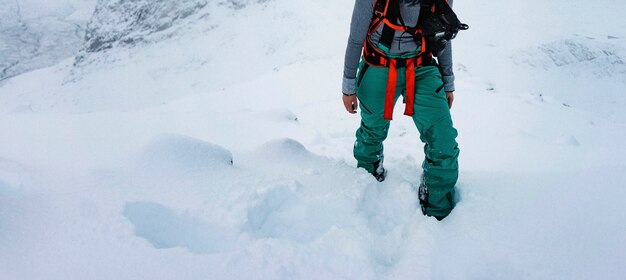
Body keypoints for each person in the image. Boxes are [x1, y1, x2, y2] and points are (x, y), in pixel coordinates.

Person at [342, 0, 460, 220]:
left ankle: (438, 206)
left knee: (443, 140)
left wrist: (448, 80)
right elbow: (356, 36)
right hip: (379, 64)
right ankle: (366, 180)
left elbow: (443, 33)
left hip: (421, 67)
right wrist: (348, 86)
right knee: (372, 131)